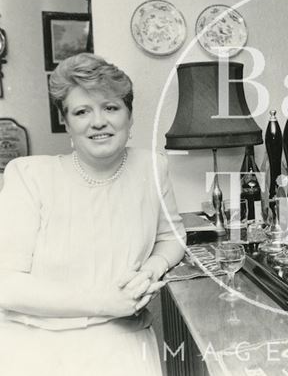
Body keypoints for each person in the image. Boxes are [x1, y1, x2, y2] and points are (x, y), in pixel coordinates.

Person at [0, 53, 186, 375]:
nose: (98, 122)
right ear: (67, 123)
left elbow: (172, 236)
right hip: (38, 346)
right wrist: (105, 302)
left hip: (124, 340)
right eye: (82, 111)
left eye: (111, 107)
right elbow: (7, 286)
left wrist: (152, 269)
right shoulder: (29, 177)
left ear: (130, 115)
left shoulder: (151, 167)